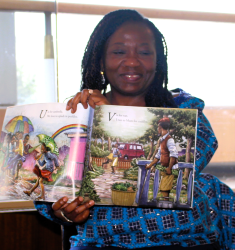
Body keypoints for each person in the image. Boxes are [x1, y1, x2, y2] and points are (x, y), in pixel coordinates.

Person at [35, 9, 235, 249]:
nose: (131, 61)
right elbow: (51, 194)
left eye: (144, 52)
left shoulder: (184, 109)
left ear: (158, 60)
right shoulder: (76, 115)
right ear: (100, 60)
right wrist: (65, 213)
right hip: (102, 243)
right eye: (119, 51)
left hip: (188, 240)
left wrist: (112, 118)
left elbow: (186, 163)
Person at [146, 117, 178, 199]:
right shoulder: (162, 140)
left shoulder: (169, 140)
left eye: (158, 128)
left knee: (164, 189)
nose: (157, 130)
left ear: (160, 128)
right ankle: (165, 203)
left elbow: (173, 155)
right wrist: (150, 165)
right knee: (163, 189)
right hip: (164, 168)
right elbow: (157, 156)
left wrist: (169, 168)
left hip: (169, 169)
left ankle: (166, 204)